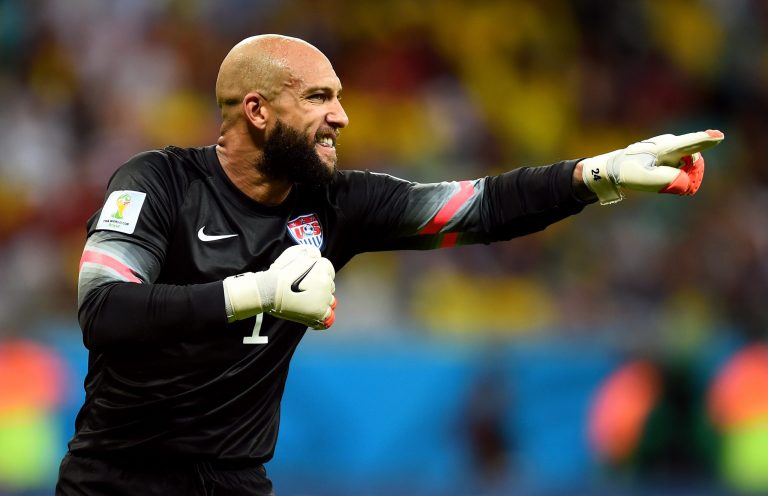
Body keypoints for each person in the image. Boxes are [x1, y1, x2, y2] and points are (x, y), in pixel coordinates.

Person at [55, 34, 724, 496]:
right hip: (114, 480)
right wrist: (255, 292)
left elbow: (480, 206)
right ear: (256, 110)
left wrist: (596, 174)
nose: (341, 115)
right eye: (318, 97)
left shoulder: (340, 204)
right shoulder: (158, 182)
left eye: (338, 95)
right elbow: (105, 308)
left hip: (236, 482)